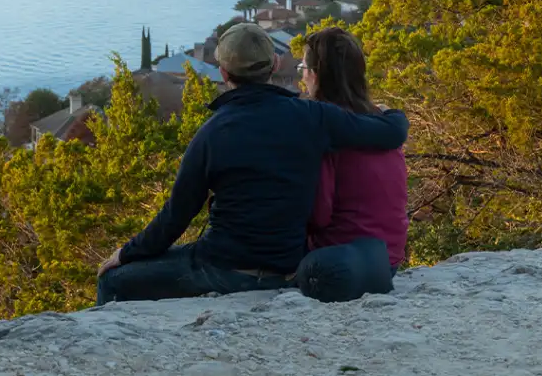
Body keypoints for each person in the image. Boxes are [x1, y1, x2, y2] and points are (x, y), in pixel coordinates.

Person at [95, 23, 409, 305]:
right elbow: (389, 132)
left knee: (112, 281)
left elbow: (176, 216)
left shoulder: (213, 133)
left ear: (224, 74)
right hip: (287, 266)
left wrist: (127, 252)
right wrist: (391, 113)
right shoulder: (313, 117)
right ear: (274, 64)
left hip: (223, 267)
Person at [303, 27, 408, 276]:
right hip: (389, 257)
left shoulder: (325, 132)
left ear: (316, 76)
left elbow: (318, 215)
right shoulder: (381, 122)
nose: (302, 78)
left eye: (303, 70)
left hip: (340, 259)